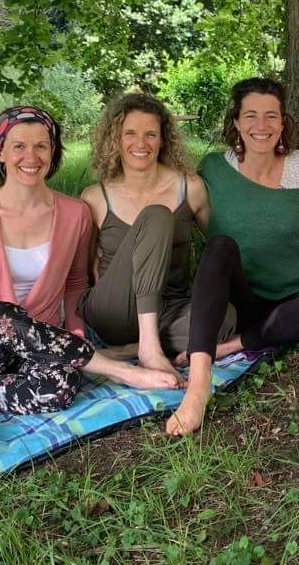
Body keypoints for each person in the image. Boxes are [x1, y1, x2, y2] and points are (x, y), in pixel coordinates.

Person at [0, 106, 177, 428]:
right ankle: (119, 370)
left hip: (39, 351)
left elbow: (75, 284)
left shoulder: (75, 214)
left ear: (52, 153)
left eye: (41, 146)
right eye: (19, 146)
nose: (31, 157)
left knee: (63, 385)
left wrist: (75, 332)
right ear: (0, 152)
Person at [167, 78, 299, 436]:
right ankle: (199, 384)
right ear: (236, 122)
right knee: (219, 246)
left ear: (283, 122)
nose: (261, 125)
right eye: (251, 115)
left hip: (291, 299)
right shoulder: (214, 167)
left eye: (271, 116)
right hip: (238, 296)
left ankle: (227, 347)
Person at [78, 94, 234, 375]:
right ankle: (149, 349)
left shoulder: (190, 188)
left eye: (150, 134)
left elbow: (221, 248)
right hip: (116, 311)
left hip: (170, 307)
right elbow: (86, 270)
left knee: (225, 317)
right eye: (130, 133)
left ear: (163, 140)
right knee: (157, 215)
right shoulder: (95, 197)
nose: (141, 143)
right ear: (116, 139)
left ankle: (131, 349)